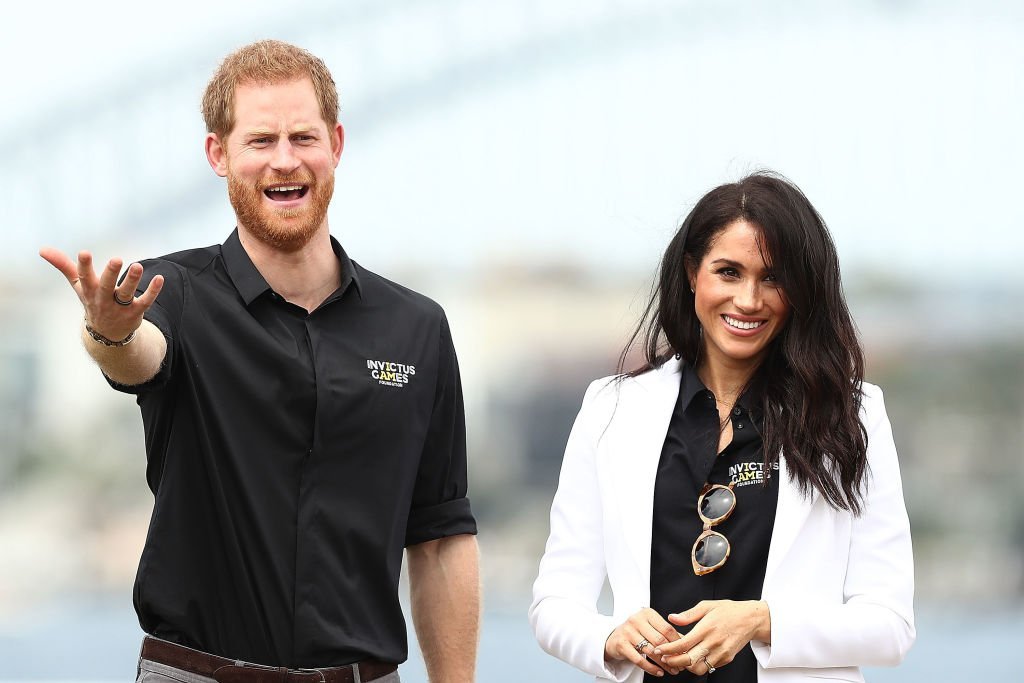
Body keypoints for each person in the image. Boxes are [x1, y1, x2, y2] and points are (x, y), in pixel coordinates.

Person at [40, 40, 479, 683]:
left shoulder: (417, 328)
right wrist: (108, 332)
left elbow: (440, 539)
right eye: (260, 140)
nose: (284, 161)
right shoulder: (173, 296)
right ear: (218, 154)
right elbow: (139, 357)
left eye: (303, 137)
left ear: (336, 143)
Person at [529, 172, 914, 682]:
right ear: (693, 273)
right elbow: (554, 603)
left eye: (773, 278)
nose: (749, 300)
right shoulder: (610, 409)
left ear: (801, 291)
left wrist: (761, 620)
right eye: (728, 272)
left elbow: (889, 626)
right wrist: (609, 637)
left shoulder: (853, 415)